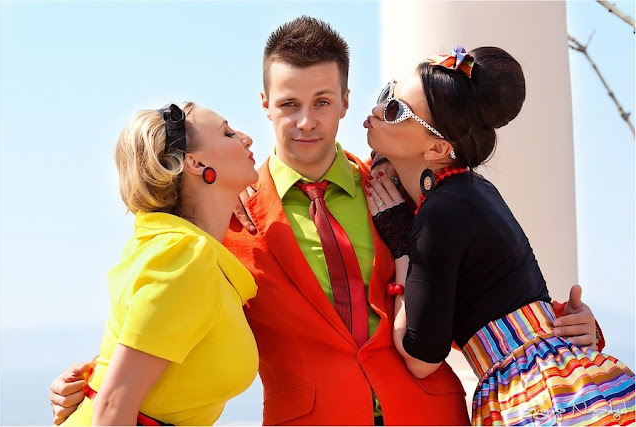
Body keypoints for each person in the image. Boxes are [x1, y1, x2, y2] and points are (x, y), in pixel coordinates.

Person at [50, 18, 603, 426]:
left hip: (431, 415)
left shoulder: (403, 192)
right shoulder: (227, 224)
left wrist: (573, 327)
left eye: (321, 101)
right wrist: (88, 383)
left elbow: (487, 282)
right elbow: (167, 323)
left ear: (344, 102)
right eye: (289, 104)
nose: (305, 121)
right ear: (265, 104)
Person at [364, 46, 635, 425]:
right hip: (565, 378)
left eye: (396, 110)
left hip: (532, 392)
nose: (377, 110)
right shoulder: (474, 190)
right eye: (386, 94)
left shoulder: (440, 210)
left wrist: (401, 245)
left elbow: (421, 357)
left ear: (438, 148)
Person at [61, 102, 260, 426]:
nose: (246, 138)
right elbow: (113, 405)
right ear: (195, 163)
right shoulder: (183, 255)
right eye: (227, 133)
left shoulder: (182, 250)